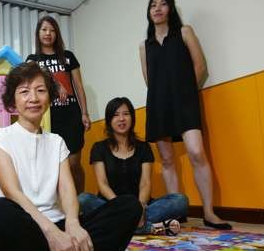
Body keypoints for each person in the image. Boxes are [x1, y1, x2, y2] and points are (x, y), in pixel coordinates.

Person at [0, 62, 142, 251]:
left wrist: (73, 225)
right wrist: (52, 233)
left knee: (129, 206)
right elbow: (12, 193)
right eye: (24, 92)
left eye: (40, 90)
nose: (33, 98)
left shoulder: (56, 141)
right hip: (22, 228)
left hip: (59, 225)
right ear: (13, 101)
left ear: (50, 97)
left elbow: (67, 190)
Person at [139, 0, 231, 229]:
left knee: (196, 152)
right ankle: (176, 213)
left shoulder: (184, 32)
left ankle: (209, 213)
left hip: (185, 101)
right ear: (149, 13)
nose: (157, 8)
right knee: (167, 160)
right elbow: (150, 80)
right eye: (153, 5)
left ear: (171, 9)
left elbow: (200, 67)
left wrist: (185, 93)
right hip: (158, 105)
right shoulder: (144, 46)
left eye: (163, 4)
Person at [79, 97, 188, 235]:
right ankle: (145, 228)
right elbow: (102, 184)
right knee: (83, 199)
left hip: (141, 205)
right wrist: (120, 207)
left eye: (126, 114)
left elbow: (145, 183)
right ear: (109, 120)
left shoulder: (143, 147)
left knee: (180, 200)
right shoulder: (99, 148)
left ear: (132, 117)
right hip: (110, 205)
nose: (121, 119)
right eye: (116, 115)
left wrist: (140, 207)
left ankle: (118, 226)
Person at [26, 16, 90, 193]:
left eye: (52, 30)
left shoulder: (68, 57)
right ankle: (61, 204)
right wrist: (55, 83)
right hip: (49, 118)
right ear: (38, 34)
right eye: (44, 29)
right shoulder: (33, 60)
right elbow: (32, 78)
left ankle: (80, 199)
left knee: (74, 163)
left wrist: (85, 113)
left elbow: (78, 86)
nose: (48, 33)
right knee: (54, 166)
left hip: (71, 114)